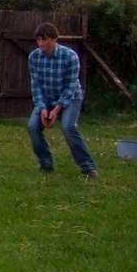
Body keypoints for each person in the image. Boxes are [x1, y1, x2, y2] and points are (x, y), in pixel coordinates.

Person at [27, 22, 97, 178]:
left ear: (54, 39)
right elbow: (36, 85)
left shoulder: (70, 56)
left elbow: (70, 86)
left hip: (71, 97)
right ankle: (46, 164)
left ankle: (88, 167)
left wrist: (57, 109)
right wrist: (43, 108)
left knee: (68, 127)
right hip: (47, 98)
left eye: (44, 39)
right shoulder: (34, 57)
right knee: (32, 126)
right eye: (38, 40)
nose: (41, 43)